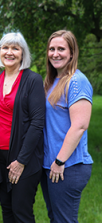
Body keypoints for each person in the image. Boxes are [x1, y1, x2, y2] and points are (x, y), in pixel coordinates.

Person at [0, 32, 46, 223]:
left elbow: (38, 123)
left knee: (21, 212)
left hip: (25, 158)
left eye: (15, 48)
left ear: (23, 53)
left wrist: (21, 161)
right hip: (0, 156)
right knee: (6, 210)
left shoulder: (32, 80)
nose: (9, 52)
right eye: (5, 47)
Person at [41, 30, 93, 222]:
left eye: (61, 49)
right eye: (51, 49)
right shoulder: (50, 82)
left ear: (72, 53)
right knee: (56, 218)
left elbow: (80, 125)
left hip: (68, 166)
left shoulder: (77, 81)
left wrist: (60, 161)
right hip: (51, 165)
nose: (55, 53)